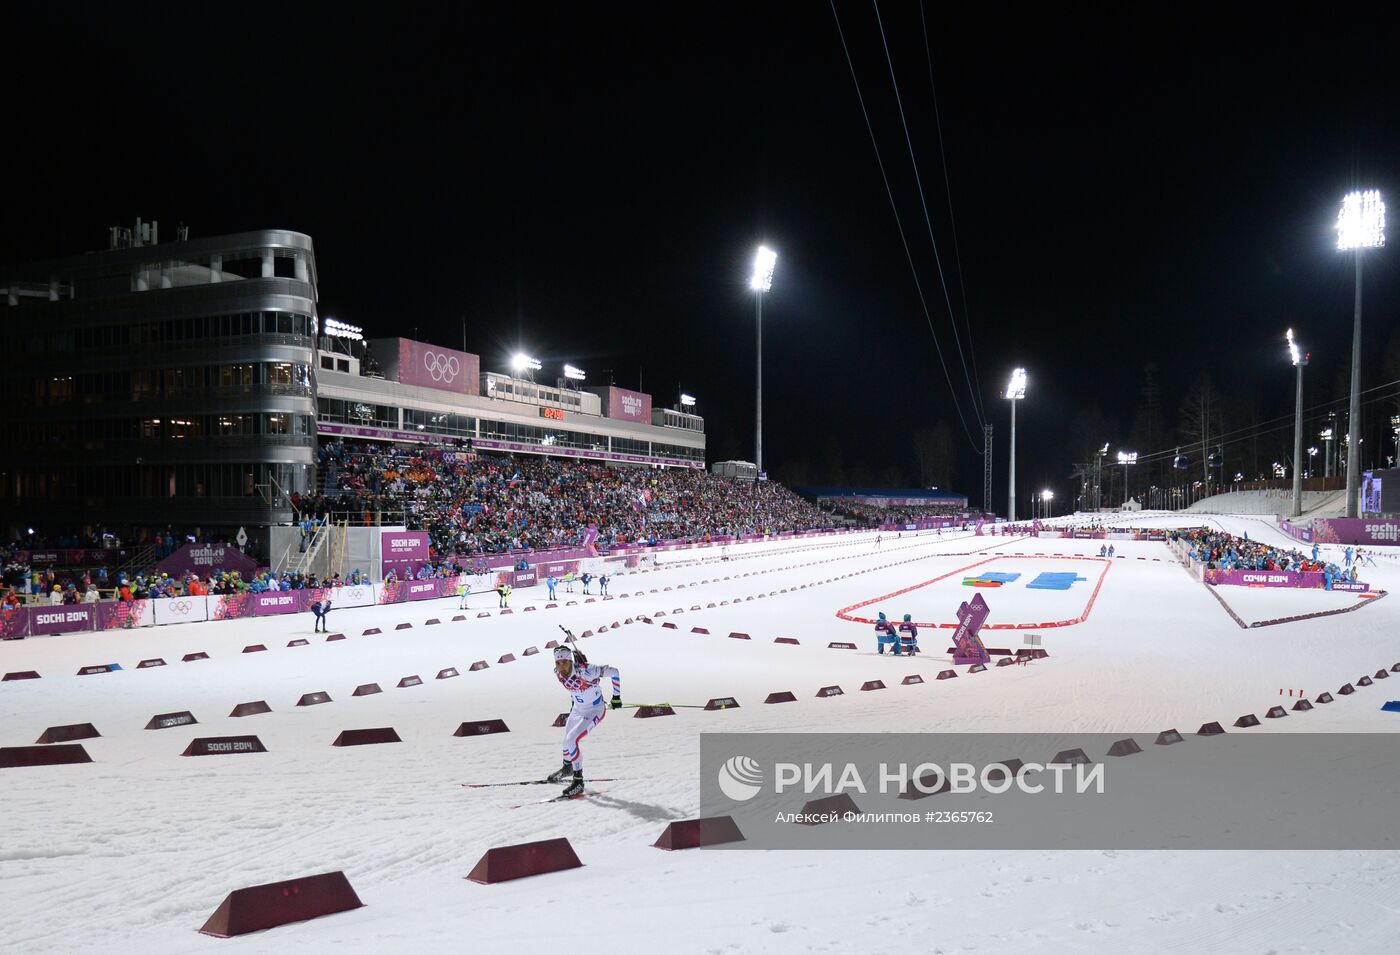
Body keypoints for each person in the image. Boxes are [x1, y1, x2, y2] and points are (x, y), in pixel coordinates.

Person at [547, 644, 621, 798]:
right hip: (578, 710)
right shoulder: (558, 673)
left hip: (594, 711)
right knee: (565, 741)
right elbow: (572, 688)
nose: (561, 667)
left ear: (571, 661)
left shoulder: (587, 671)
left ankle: (578, 781)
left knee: (571, 740)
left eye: (565, 662)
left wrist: (616, 697)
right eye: (558, 663)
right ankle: (567, 768)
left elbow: (614, 672)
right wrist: (574, 703)